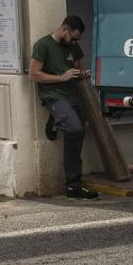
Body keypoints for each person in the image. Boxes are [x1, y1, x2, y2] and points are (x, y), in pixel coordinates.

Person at [29, 15, 99, 200]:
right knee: (75, 130)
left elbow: (76, 70)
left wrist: (82, 74)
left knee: (82, 124)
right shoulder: (43, 45)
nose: (75, 41)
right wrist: (62, 78)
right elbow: (33, 74)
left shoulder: (73, 46)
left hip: (71, 96)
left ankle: (56, 120)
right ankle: (73, 185)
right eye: (74, 37)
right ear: (65, 30)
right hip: (54, 97)